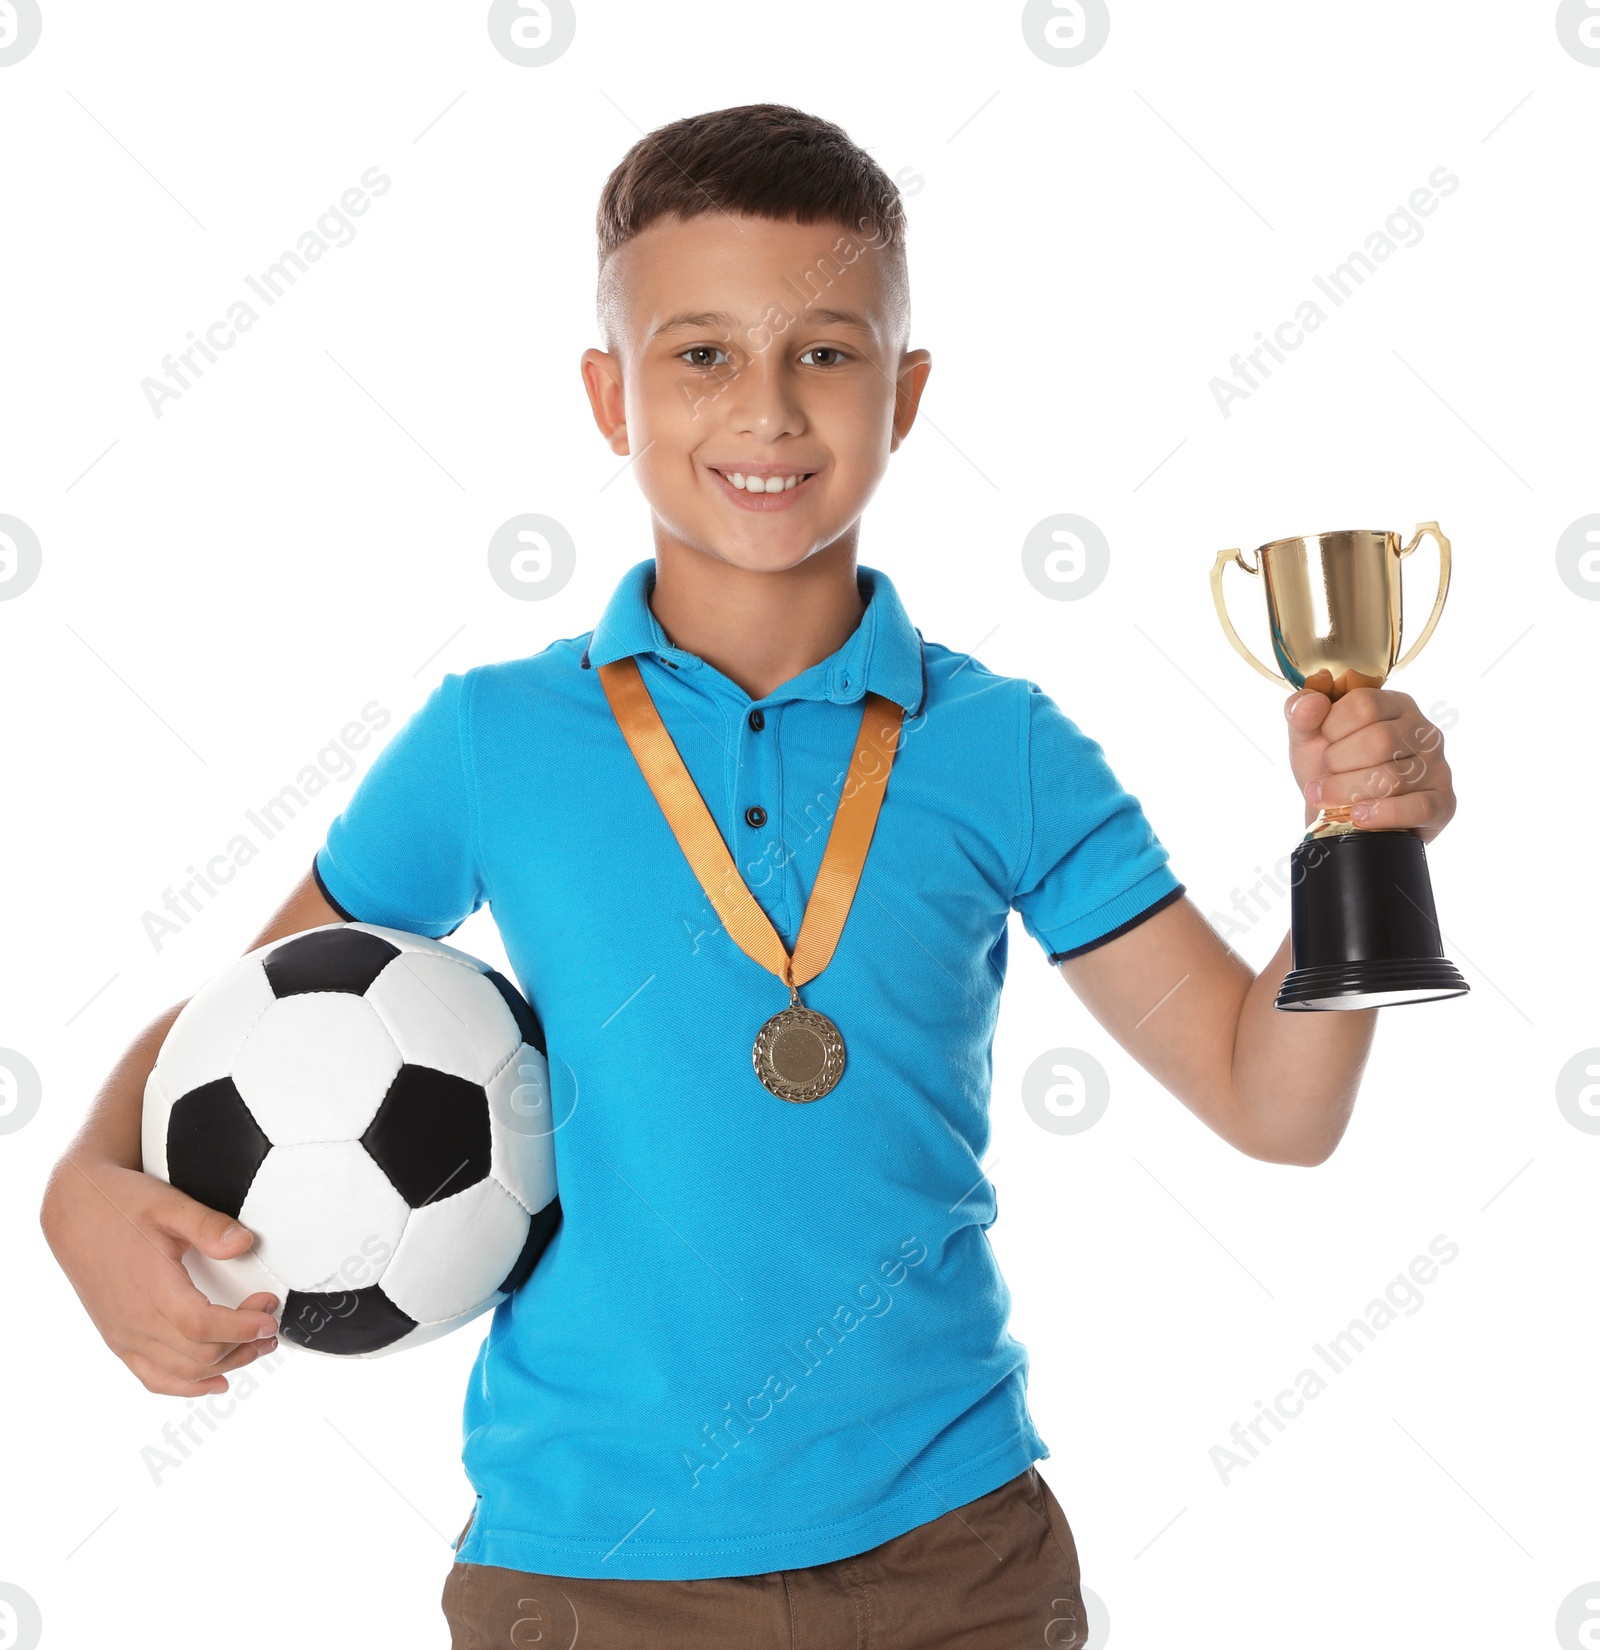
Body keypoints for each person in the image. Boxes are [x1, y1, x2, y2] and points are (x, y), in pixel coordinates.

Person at [39, 103, 1458, 1649]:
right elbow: (261, 1014)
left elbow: (1276, 1100)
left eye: (828, 353)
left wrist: (1355, 841)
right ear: (610, 393)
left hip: (955, 1555)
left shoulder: (1004, 745)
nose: (768, 411)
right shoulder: (492, 740)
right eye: (701, 353)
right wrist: (77, 1186)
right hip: (584, 1568)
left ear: (907, 395)